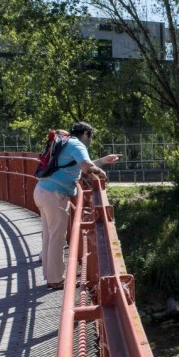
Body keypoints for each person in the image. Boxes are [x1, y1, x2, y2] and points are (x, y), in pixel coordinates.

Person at [33, 122, 121, 290]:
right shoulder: (77, 144)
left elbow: (76, 165)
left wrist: (102, 161)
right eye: (91, 136)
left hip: (42, 190)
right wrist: (101, 172)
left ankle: (50, 275)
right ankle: (56, 279)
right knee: (57, 238)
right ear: (86, 134)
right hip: (55, 195)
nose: (90, 140)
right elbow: (87, 167)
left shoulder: (68, 142)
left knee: (49, 236)